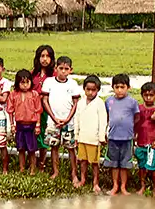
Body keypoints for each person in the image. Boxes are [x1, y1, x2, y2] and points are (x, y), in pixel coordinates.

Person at [41, 56, 81, 185]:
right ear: (55, 68)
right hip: (53, 122)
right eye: (61, 68)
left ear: (71, 70)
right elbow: (45, 100)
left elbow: (76, 103)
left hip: (69, 123)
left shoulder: (73, 84)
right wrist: (54, 117)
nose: (63, 71)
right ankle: (55, 171)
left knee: (71, 148)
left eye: (66, 69)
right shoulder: (49, 82)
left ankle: (74, 173)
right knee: (54, 147)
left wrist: (67, 119)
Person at [104, 74, 139, 195]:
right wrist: (105, 130)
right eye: (117, 87)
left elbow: (137, 117)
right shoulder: (109, 101)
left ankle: (123, 187)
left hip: (127, 138)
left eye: (122, 87)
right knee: (114, 164)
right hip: (113, 137)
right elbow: (107, 117)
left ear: (128, 87)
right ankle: (115, 186)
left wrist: (132, 130)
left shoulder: (132, 102)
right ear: (112, 87)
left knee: (124, 164)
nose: (119, 90)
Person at [74, 75, 107, 193]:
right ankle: (82, 179)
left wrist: (102, 137)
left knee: (94, 162)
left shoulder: (100, 103)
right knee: (82, 160)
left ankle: (95, 182)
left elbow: (103, 121)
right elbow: (76, 119)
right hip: (83, 137)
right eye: (88, 89)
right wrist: (76, 136)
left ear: (98, 90)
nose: (90, 92)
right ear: (84, 89)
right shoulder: (81, 103)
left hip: (94, 138)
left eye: (93, 90)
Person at [8, 69, 43, 175]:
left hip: (31, 125)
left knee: (31, 149)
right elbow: (10, 111)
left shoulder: (34, 94)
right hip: (19, 125)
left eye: (27, 82)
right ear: (17, 83)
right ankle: (22, 168)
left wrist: (37, 125)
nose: (25, 85)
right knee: (21, 148)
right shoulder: (13, 95)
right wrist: (12, 125)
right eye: (22, 82)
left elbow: (38, 110)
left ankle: (33, 169)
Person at [31, 45, 56, 171]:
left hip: (47, 110)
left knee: (44, 135)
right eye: (42, 56)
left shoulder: (54, 75)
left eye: (47, 56)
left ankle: (42, 162)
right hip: (33, 110)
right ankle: (32, 162)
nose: (45, 59)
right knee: (33, 135)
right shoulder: (33, 74)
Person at [135, 82, 155, 195]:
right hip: (141, 141)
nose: (148, 98)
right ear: (142, 95)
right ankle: (143, 185)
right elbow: (136, 124)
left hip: (153, 143)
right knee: (141, 165)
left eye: (151, 95)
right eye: (146, 95)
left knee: (154, 167)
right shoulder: (139, 109)